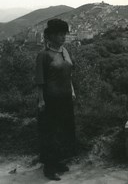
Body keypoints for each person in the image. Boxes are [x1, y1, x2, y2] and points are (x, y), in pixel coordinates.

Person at [35, 19, 76, 181]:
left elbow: (69, 75)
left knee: (63, 131)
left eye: (64, 34)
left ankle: (58, 162)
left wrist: (72, 91)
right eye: (59, 34)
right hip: (51, 100)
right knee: (50, 133)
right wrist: (41, 100)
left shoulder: (64, 52)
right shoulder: (43, 55)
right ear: (50, 36)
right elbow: (39, 80)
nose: (63, 37)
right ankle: (49, 168)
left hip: (65, 98)